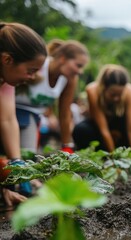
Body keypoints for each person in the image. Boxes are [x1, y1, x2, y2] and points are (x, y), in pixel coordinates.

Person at [0, 22, 47, 206]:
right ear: (7, 60)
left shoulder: (5, 80)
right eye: (31, 71)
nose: (33, 77)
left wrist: (17, 162)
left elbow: (8, 119)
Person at [15, 39, 89, 153]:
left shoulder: (70, 78)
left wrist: (67, 145)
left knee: (25, 159)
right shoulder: (39, 64)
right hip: (9, 109)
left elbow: (64, 114)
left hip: (32, 118)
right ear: (63, 58)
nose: (80, 71)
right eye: (78, 65)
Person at [72, 64, 131, 152]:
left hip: (119, 124)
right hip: (99, 127)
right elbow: (104, 130)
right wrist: (113, 157)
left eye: (119, 95)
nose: (116, 98)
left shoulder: (130, 92)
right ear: (103, 87)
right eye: (112, 94)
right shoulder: (92, 91)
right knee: (81, 130)